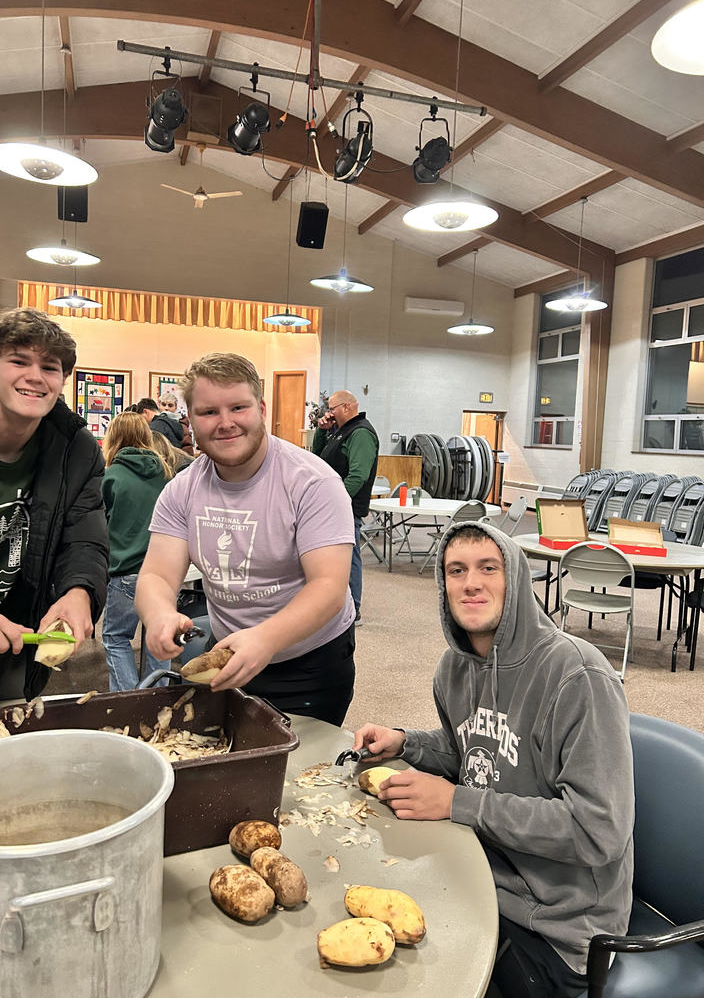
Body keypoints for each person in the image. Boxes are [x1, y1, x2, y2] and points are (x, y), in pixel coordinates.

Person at [353, 521, 633, 998]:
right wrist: (406, 744)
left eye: (489, 567)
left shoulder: (577, 675)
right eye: (456, 570)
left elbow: (598, 830)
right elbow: (475, 752)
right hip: (481, 876)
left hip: (559, 928)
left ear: (517, 579)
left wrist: (456, 802)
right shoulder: (453, 669)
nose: (472, 583)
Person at [136, 352, 357, 726]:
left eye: (238, 407)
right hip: (226, 652)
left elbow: (329, 588)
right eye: (208, 412)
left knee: (301, 774)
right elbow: (156, 575)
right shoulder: (182, 490)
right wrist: (158, 613)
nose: (225, 423)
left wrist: (265, 639)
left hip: (309, 662)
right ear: (190, 419)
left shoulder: (312, 482)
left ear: (262, 409)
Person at [0, 307, 109, 732]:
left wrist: (79, 592)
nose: (35, 376)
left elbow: (85, 539)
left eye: (49, 367)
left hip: (6, 656)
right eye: (19, 361)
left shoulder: (77, 451)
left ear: (62, 380)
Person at [101, 412, 175, 691]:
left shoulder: (111, 477)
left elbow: (100, 525)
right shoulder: (167, 474)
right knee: (160, 637)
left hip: (125, 572)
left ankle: (129, 702)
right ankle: (157, 700)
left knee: (116, 638)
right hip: (165, 572)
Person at [312, 390, 378, 625]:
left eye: (332, 408)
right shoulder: (340, 432)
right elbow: (317, 460)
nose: (329, 413)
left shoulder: (360, 433)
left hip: (346, 507)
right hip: (334, 505)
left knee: (349, 556)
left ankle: (354, 608)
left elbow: (358, 475)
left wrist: (336, 500)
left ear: (347, 407)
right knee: (334, 556)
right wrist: (321, 431)